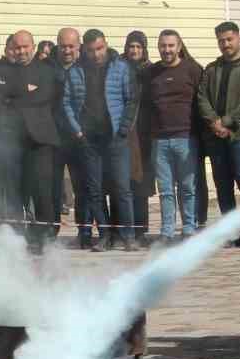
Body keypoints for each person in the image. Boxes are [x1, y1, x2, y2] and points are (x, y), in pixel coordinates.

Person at [60, 29, 140, 252]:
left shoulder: (121, 67)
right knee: (95, 191)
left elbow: (131, 100)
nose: (96, 54)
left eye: (100, 48)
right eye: (91, 50)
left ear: (106, 44)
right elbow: (66, 103)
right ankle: (104, 235)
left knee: (122, 189)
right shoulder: (75, 71)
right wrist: (77, 131)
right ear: (84, 49)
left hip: (116, 138)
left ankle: (128, 236)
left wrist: (123, 129)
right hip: (89, 140)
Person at [0, 30, 64, 249]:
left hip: (40, 140)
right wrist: (25, 93)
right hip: (14, 141)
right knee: (17, 191)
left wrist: (14, 97)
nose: (21, 51)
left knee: (42, 191)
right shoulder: (3, 71)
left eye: (25, 47)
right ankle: (21, 237)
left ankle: (45, 237)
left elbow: (43, 97)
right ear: (11, 49)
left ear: (33, 47)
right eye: (17, 47)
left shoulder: (46, 70)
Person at [197, 22, 240, 248]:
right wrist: (214, 122)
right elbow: (201, 97)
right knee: (223, 184)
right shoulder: (212, 68)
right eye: (221, 41)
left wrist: (226, 122)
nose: (225, 44)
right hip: (216, 136)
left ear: (239, 38)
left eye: (229, 39)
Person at [147, 29, 202, 242]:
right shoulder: (151, 72)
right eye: (163, 46)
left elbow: (202, 101)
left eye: (171, 45)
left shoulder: (192, 69)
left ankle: (189, 228)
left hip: (186, 138)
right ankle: (167, 231)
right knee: (165, 190)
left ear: (179, 47)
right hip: (159, 140)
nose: (167, 50)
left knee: (187, 187)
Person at [51, 27, 87, 242]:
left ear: (79, 46)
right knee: (54, 188)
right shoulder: (48, 68)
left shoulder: (86, 69)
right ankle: (51, 232)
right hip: (54, 137)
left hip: (78, 137)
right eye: (63, 46)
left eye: (71, 46)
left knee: (81, 187)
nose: (67, 50)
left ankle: (84, 231)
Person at [122, 30, 153, 245]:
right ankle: (123, 229)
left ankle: (141, 229)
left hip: (144, 133)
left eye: (138, 47)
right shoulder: (119, 69)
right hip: (123, 130)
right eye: (131, 46)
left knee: (140, 183)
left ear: (144, 49)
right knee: (122, 183)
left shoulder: (150, 71)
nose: (134, 50)